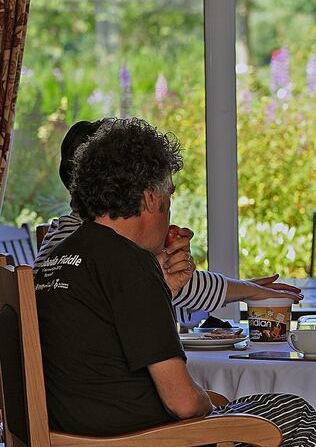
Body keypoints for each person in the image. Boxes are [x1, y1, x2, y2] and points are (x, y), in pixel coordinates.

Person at [34, 118, 316, 446]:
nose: (169, 209)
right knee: (298, 415)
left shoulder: (59, 255)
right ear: (150, 198)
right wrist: (212, 406)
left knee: (265, 407)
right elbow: (185, 404)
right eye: (168, 194)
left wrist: (162, 291)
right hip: (144, 439)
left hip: (78, 431)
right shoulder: (129, 262)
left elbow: (102, 345)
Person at [34, 119, 301, 324]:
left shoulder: (66, 238)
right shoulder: (105, 253)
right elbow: (179, 390)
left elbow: (182, 303)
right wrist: (248, 290)